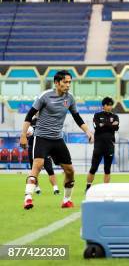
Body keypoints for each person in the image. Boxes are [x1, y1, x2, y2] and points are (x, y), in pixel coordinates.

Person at [19, 70, 94, 210]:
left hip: (57, 139)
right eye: (65, 82)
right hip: (41, 137)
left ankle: (66, 200)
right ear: (56, 83)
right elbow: (29, 116)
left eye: (70, 82)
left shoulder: (70, 98)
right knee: (37, 165)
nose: (68, 85)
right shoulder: (45, 96)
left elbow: (77, 118)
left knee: (70, 171)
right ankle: (28, 198)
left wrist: (88, 131)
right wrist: (23, 135)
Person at [86, 97, 119, 192]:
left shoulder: (115, 116)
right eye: (108, 105)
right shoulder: (97, 115)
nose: (110, 107)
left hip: (110, 146)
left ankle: (106, 189)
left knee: (107, 169)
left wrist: (103, 124)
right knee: (93, 168)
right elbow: (97, 127)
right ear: (103, 106)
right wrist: (110, 124)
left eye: (111, 105)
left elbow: (116, 127)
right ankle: (88, 187)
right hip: (98, 146)